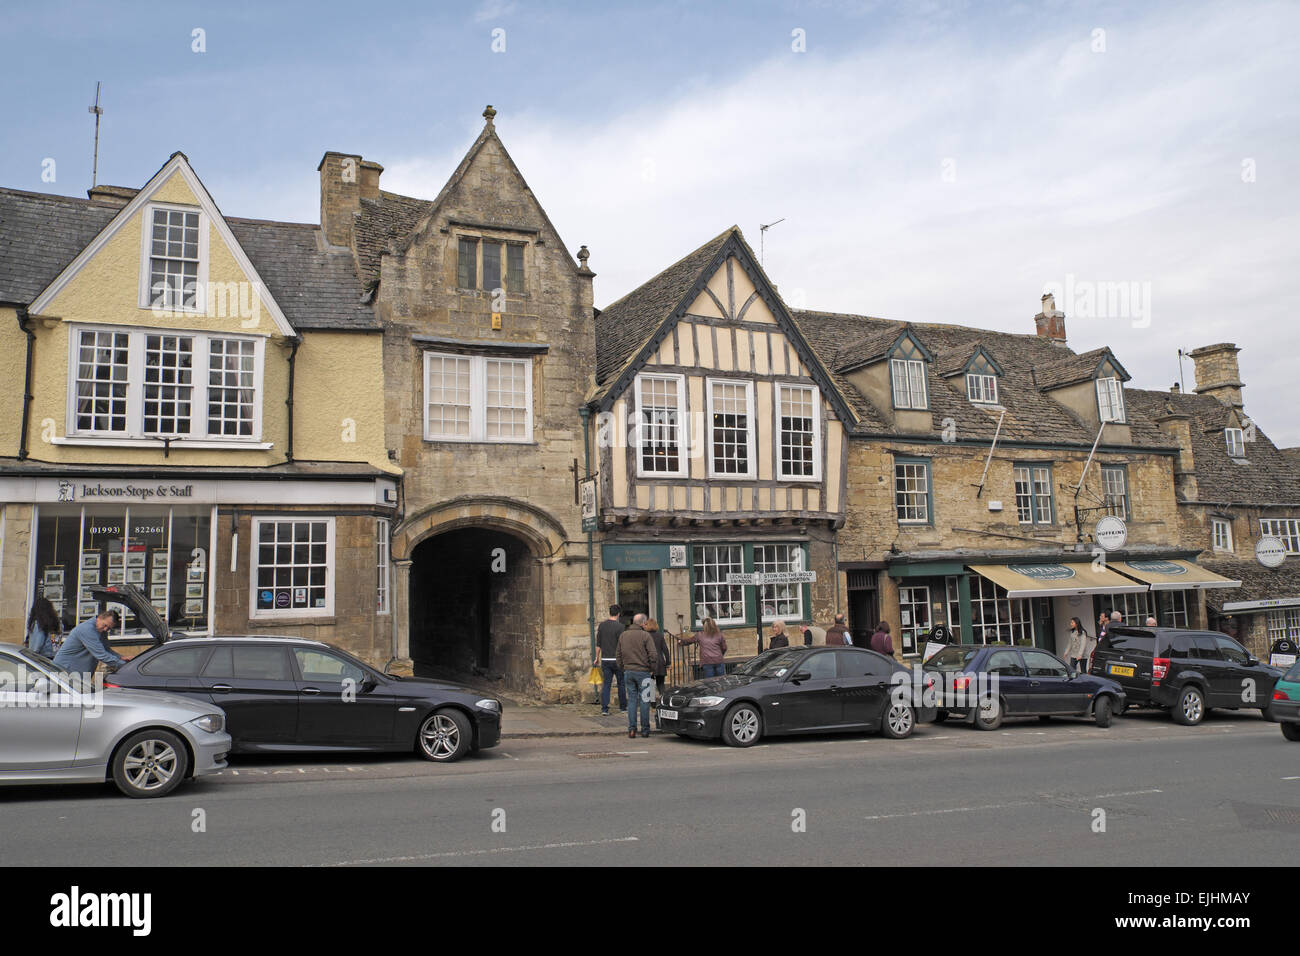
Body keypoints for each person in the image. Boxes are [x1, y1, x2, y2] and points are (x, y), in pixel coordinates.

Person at [52, 608, 126, 687]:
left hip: (78, 676)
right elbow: (101, 655)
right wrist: (125, 666)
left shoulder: (101, 630)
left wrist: (122, 657)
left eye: (109, 628)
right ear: (100, 618)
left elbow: (106, 649)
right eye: (105, 625)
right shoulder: (87, 629)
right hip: (65, 673)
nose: (105, 629)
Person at [616, 613, 658, 739]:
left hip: (628, 671)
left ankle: (632, 729)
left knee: (632, 700)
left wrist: (623, 668)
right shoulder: (645, 635)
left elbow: (618, 655)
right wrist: (652, 669)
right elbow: (653, 655)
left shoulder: (623, 635)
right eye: (645, 624)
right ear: (643, 623)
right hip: (643, 672)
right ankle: (645, 730)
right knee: (645, 700)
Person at [594, 604, 627, 716]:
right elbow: (622, 645)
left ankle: (604, 708)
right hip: (617, 660)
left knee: (606, 684)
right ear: (618, 614)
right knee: (621, 683)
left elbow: (598, 643)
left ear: (610, 613)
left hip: (606, 659)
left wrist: (596, 657)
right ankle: (623, 707)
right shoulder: (621, 627)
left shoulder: (602, 626)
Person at [645, 618, 671, 702]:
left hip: (649, 662)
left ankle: (652, 703)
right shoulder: (660, 635)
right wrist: (668, 663)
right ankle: (663, 701)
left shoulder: (645, 636)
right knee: (661, 684)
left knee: (651, 683)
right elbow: (665, 650)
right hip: (660, 662)